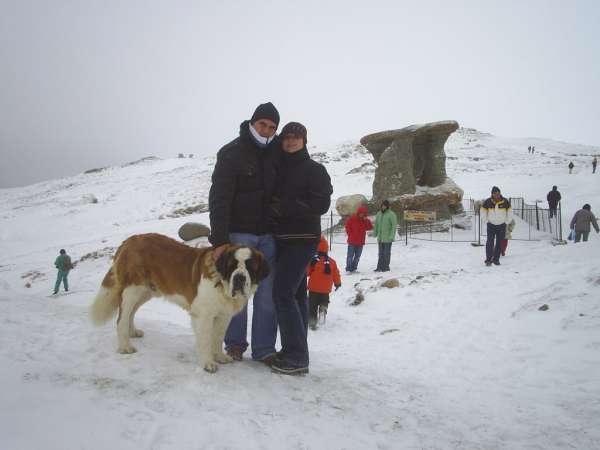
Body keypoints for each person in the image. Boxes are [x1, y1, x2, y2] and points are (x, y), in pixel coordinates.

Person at [208, 102, 280, 365]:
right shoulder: (231, 153)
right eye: (262, 124)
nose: (267, 131)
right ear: (252, 123)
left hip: (269, 236)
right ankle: (235, 344)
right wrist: (219, 241)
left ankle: (264, 349)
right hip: (239, 235)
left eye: (272, 127)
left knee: (267, 294)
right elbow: (219, 199)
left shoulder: (277, 153)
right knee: (235, 290)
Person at [268, 121, 333, 375]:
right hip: (282, 239)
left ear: (304, 141)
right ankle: (294, 350)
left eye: (296, 137)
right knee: (295, 296)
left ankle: (297, 357)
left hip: (303, 239)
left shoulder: (314, 169)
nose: (291, 141)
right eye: (286, 137)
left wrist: (286, 207)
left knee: (282, 293)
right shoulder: (280, 169)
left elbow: (321, 204)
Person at [307, 236, 341, 330]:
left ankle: (312, 322)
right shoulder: (332, 262)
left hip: (313, 289)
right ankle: (323, 308)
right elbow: (336, 274)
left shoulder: (313, 261)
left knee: (312, 306)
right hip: (326, 290)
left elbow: (307, 272)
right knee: (324, 301)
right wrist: (337, 283)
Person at [480, 186, 513, 266]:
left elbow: (510, 212)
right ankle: (488, 260)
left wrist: (507, 222)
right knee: (490, 242)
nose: (497, 195)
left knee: (499, 243)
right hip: (491, 225)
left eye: (498, 193)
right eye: (495, 193)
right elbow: (483, 211)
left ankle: (496, 259)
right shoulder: (487, 202)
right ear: (492, 194)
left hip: (501, 225)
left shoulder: (505, 201)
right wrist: (486, 221)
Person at [344, 206, 372, 273]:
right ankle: (348, 269)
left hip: (360, 242)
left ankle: (354, 268)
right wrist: (350, 234)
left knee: (357, 257)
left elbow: (369, 227)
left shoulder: (365, 220)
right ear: (358, 212)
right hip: (352, 241)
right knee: (350, 256)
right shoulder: (352, 218)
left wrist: (366, 220)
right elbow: (347, 226)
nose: (362, 215)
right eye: (361, 213)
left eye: (363, 214)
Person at [373, 200, 398, 272]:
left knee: (386, 253)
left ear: (387, 206)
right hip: (380, 238)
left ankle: (386, 267)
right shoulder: (379, 214)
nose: (383, 207)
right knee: (380, 253)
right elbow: (376, 224)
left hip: (388, 238)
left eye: (384, 206)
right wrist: (375, 233)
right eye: (382, 206)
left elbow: (394, 226)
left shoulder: (391, 214)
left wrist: (392, 236)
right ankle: (379, 267)